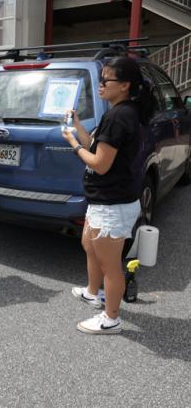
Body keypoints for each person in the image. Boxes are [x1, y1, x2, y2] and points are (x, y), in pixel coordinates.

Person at [62, 56, 155, 335]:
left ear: (125, 85)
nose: (100, 84)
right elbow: (99, 147)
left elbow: (100, 164)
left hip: (113, 202)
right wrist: (78, 126)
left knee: (110, 264)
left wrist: (73, 145)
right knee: (89, 244)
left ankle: (111, 318)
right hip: (105, 198)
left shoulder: (119, 116)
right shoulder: (117, 111)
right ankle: (93, 292)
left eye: (106, 80)